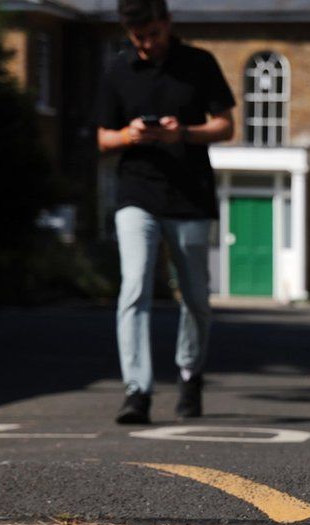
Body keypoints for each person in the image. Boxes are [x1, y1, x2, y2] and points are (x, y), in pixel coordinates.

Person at [96, 0, 235, 424]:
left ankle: (190, 374)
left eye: (153, 34)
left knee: (195, 297)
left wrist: (185, 133)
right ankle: (137, 391)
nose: (146, 44)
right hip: (137, 195)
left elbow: (226, 125)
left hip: (190, 197)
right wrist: (129, 134)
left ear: (168, 23)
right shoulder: (118, 70)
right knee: (134, 286)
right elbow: (103, 139)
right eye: (137, 37)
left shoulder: (199, 63)